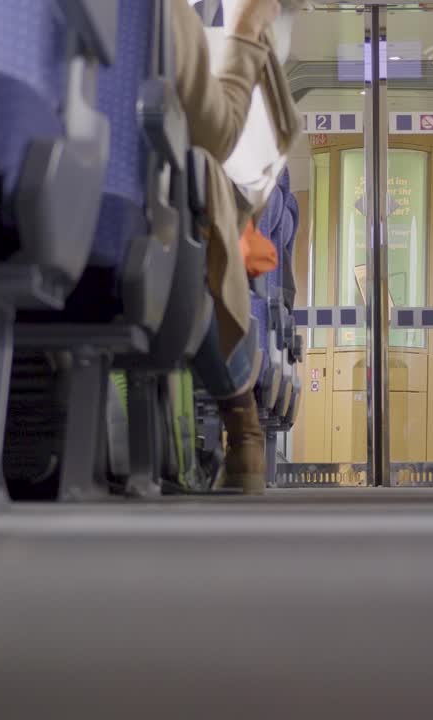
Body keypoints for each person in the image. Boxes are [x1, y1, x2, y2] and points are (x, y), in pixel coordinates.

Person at [172, 0, 294, 495]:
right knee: (199, 241)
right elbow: (215, 134)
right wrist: (244, 32)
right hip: (146, 220)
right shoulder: (155, 15)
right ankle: (241, 421)